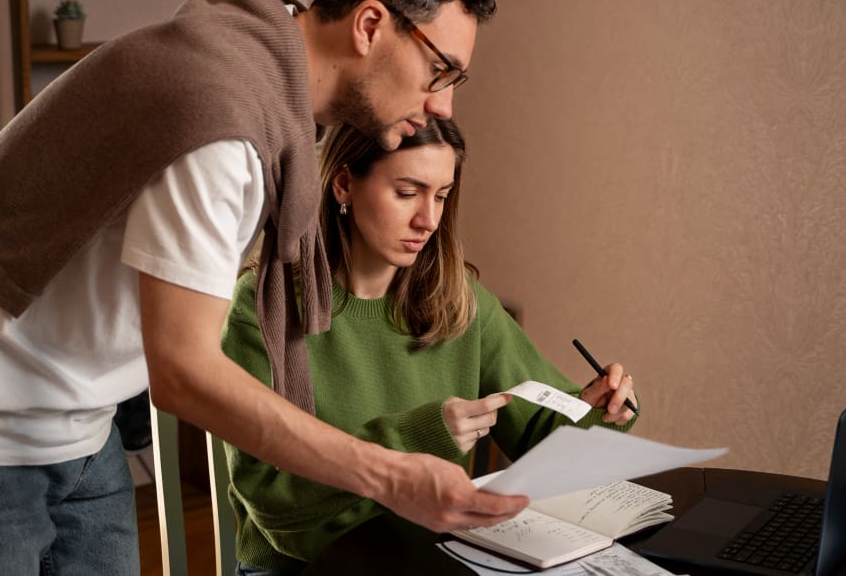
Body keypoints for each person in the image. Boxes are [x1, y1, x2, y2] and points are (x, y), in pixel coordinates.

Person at [0, 0, 527, 574]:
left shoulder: (261, 39)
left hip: (82, 414)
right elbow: (185, 370)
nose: (442, 105)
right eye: (438, 69)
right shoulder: (226, 124)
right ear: (368, 26)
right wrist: (389, 475)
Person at [221, 119, 640, 574]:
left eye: (441, 196)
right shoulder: (266, 309)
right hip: (303, 566)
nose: (429, 220)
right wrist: (418, 436)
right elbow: (271, 502)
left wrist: (600, 411)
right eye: (407, 193)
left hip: (430, 556)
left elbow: (544, 437)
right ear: (344, 184)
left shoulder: (459, 299)